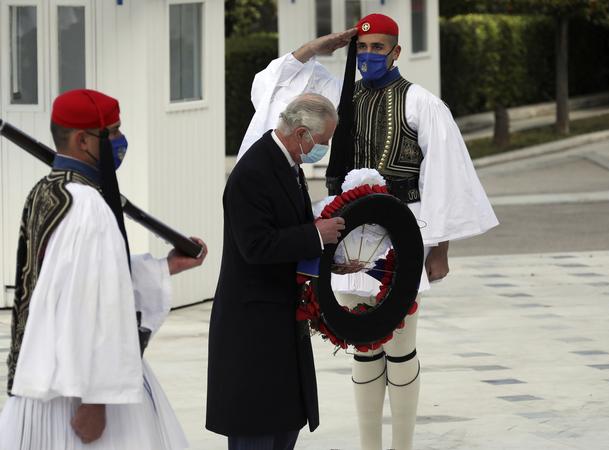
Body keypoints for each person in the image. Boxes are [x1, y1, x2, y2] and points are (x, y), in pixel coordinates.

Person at [236, 14, 499, 450]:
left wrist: (439, 249)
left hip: (403, 230)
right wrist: (317, 47)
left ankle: (402, 446)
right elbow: (271, 88)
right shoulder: (340, 101)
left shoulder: (421, 103)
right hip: (351, 230)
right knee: (361, 341)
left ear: (396, 52)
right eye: (363, 47)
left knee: (400, 345)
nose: (370, 55)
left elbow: (444, 177)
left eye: (379, 47)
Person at [0, 89, 208, 450]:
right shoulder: (87, 207)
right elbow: (94, 303)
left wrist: (164, 268)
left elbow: (87, 277)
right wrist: (95, 402)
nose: (119, 141)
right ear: (83, 139)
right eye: (112, 132)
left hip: (47, 375)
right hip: (79, 390)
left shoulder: (47, 191)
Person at [206, 93, 346, 450]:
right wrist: (316, 234)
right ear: (302, 133)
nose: (324, 148)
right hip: (253, 324)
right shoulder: (253, 172)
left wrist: (331, 257)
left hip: (280, 317)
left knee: (284, 424)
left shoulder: (286, 164)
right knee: (257, 429)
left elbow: (290, 232)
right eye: (323, 142)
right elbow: (256, 246)